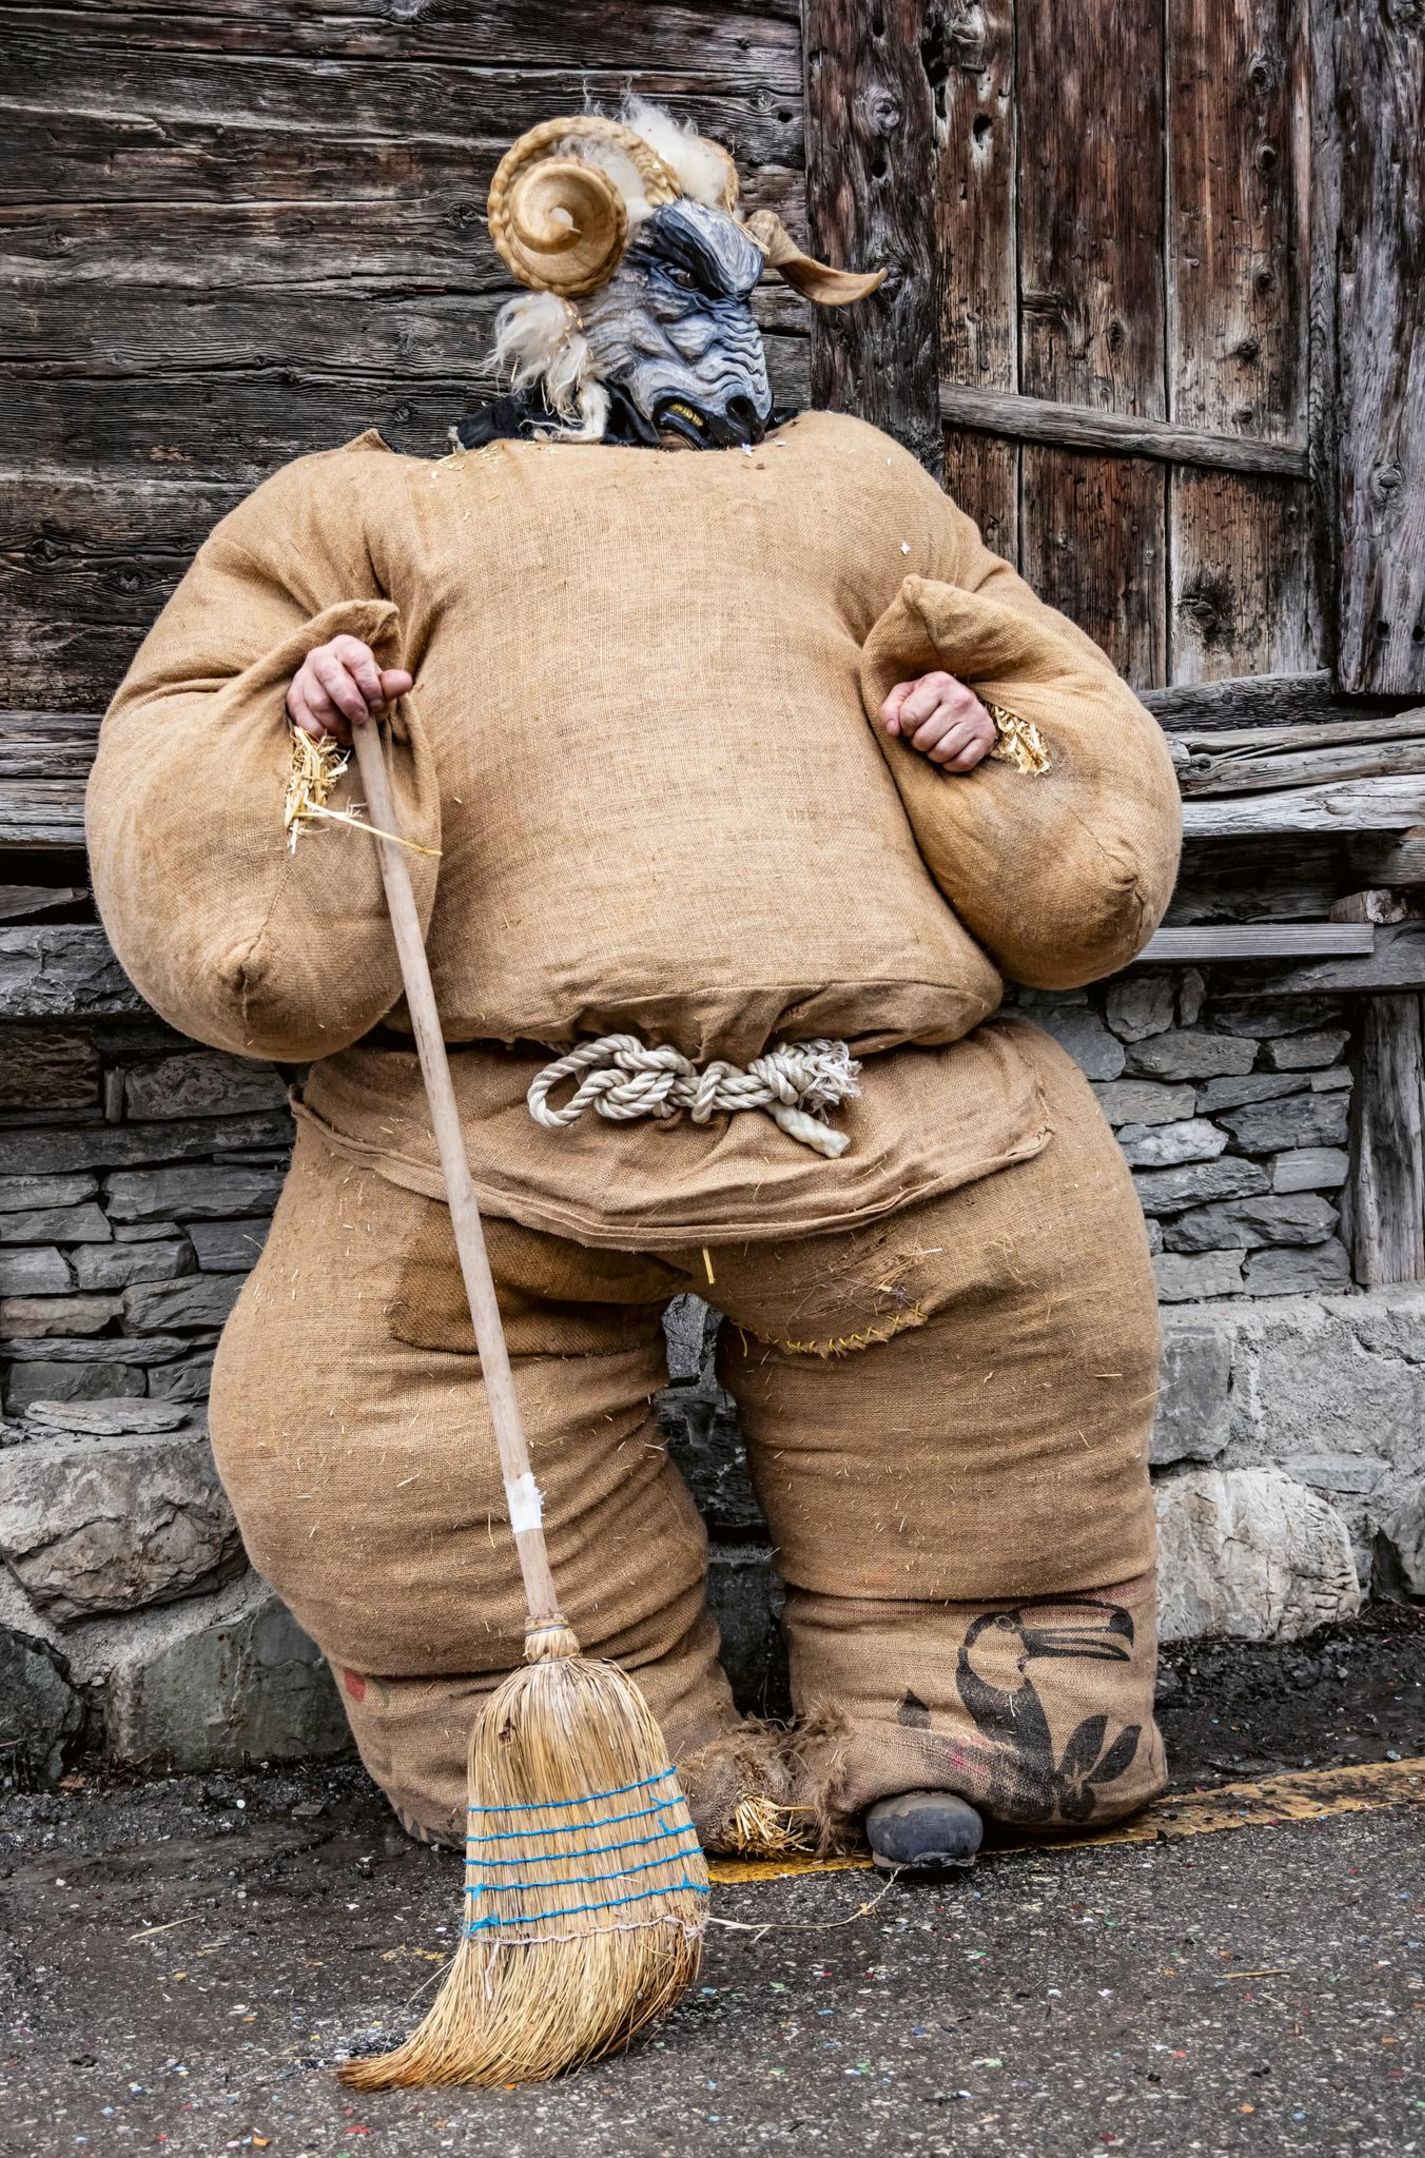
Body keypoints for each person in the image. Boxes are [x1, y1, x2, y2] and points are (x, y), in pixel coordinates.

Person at [88, 103, 1182, 1871]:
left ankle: (962, 1716)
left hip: (877, 1108)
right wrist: (306, 726)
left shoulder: (855, 492)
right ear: (583, 301)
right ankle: (614, 1769)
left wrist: (990, 747)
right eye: (679, 294)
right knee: (379, 1425)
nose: (720, 335)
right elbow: (188, 738)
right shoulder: (368, 513)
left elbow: (1037, 686)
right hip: (491, 1125)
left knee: (1009, 1341)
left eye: (737, 297)